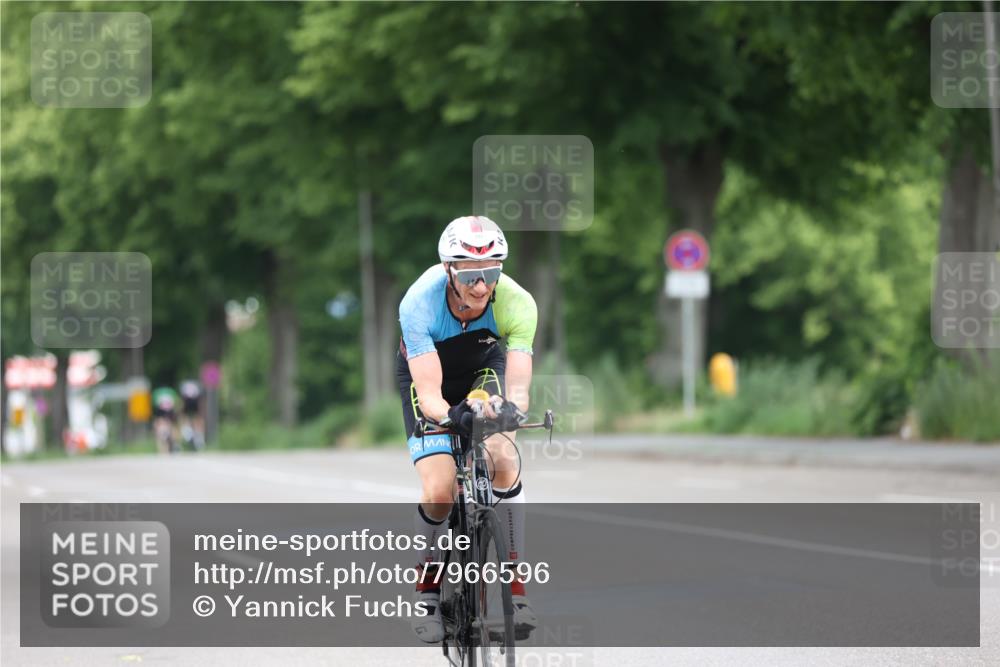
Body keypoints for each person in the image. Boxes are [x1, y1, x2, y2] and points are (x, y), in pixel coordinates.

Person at [398, 215, 538, 643]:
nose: (481, 286)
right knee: (440, 490)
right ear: (449, 270)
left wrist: (508, 411)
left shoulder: (518, 302)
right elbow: (431, 395)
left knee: (504, 459)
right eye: (470, 275)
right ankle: (426, 591)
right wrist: (451, 417)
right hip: (430, 379)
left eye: (490, 273)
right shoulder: (418, 303)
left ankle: (516, 589)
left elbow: (518, 391)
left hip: (482, 369)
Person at [151, 386, 180, 454]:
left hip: (167, 425)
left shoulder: (164, 412)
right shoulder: (161, 413)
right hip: (164, 425)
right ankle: (164, 450)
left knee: (168, 436)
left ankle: (168, 449)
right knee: (163, 437)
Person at [178, 379, 205, 450]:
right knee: (191, 420)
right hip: (191, 402)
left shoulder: (186, 388)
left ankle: (195, 435)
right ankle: (191, 434)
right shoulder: (193, 389)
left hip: (192, 402)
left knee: (195, 420)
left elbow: (182, 404)